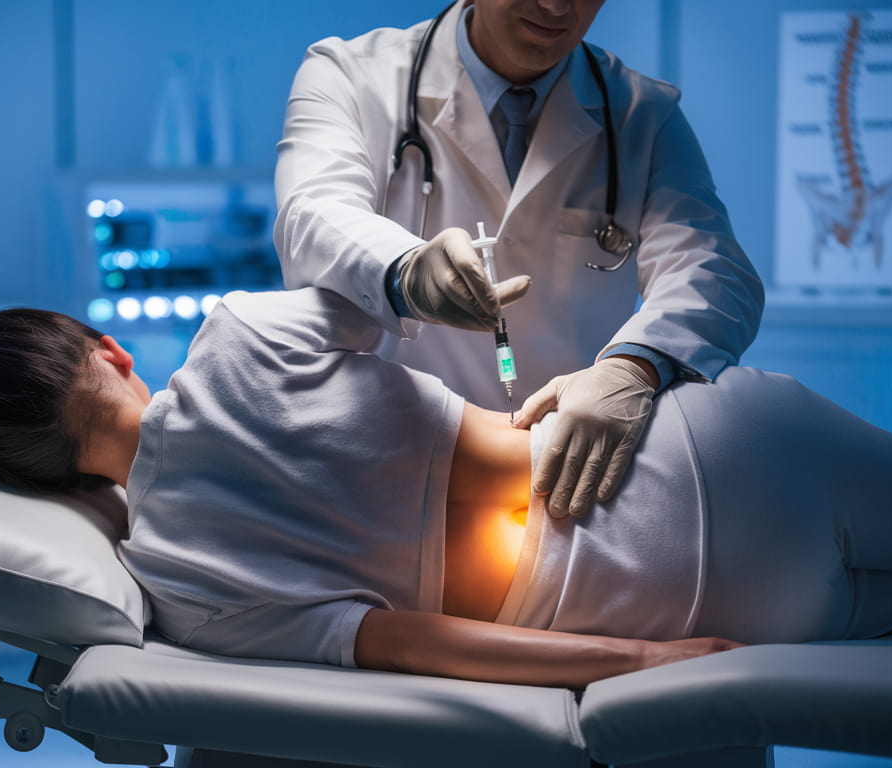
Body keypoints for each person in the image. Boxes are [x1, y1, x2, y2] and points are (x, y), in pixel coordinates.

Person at [0, 288, 892, 690]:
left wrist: (640, 662)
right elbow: (405, 280)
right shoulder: (238, 335)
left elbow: (412, 648)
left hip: (697, 605)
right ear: (109, 349)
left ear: (42, 477)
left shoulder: (172, 588)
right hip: (723, 450)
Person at [274, 0, 766, 518]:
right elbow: (312, 214)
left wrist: (636, 366)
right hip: (387, 475)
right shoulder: (351, 75)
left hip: (567, 489)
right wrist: (403, 270)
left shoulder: (643, 113)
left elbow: (713, 269)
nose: (557, 5)